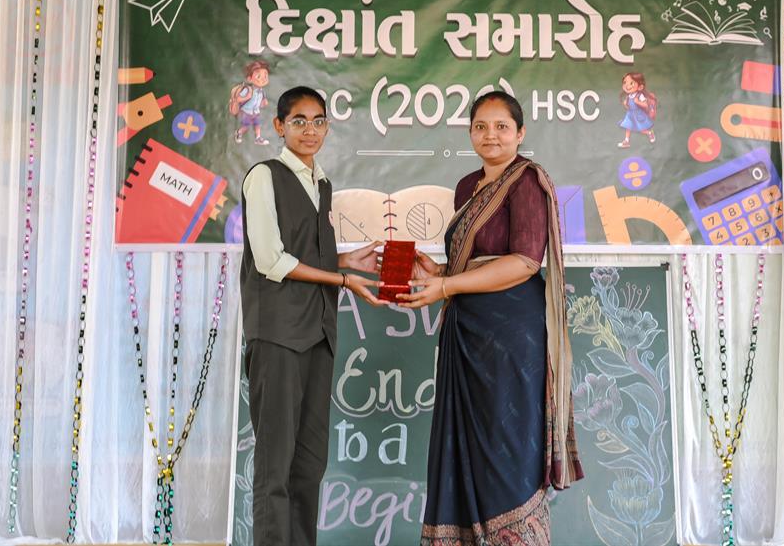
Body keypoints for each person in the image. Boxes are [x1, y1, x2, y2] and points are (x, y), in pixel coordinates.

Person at [396, 91, 583, 545]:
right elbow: (474, 263)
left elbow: (524, 262)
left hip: (511, 338)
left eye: (501, 126)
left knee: (507, 448)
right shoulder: (467, 186)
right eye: (480, 126)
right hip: (467, 334)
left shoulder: (528, 182)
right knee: (466, 448)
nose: (490, 135)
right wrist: (438, 272)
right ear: (470, 133)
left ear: (520, 133)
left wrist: (446, 287)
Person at [240, 86, 387, 546]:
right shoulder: (264, 176)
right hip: (278, 336)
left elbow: (306, 254)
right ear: (279, 126)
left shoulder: (322, 184)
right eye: (299, 121)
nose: (310, 130)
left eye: (318, 121)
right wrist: (343, 279)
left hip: (319, 335)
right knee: (275, 467)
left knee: (308, 466)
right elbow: (271, 259)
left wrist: (347, 261)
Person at [232, 60, 271, 145]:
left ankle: (258, 138)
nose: (263, 79)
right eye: (258, 76)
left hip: (255, 111)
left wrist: (264, 102)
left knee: (257, 124)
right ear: (249, 79)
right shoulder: (248, 89)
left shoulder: (262, 91)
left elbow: (262, 100)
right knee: (246, 126)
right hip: (246, 112)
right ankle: (239, 132)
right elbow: (238, 99)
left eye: (265, 76)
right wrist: (247, 97)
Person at [617, 71, 657, 147]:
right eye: (625, 82)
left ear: (640, 87)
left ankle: (649, 133)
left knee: (640, 129)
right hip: (630, 115)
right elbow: (628, 107)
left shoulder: (640, 96)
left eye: (631, 83)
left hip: (638, 115)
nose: (627, 85)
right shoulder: (629, 96)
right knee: (628, 127)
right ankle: (626, 141)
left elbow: (646, 105)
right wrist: (626, 105)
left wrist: (638, 102)